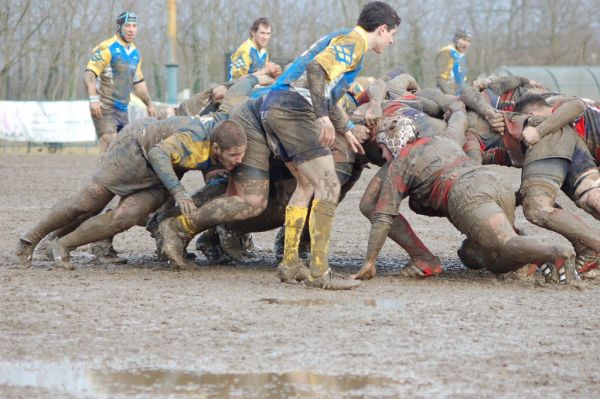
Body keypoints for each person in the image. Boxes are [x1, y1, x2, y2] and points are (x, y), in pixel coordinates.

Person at [156, 1, 401, 290]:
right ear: (382, 28)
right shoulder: (355, 42)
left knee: (307, 185)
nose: (392, 40)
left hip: (276, 105)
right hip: (292, 109)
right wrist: (322, 117)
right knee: (329, 185)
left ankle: (289, 264)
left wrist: (344, 127)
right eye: (392, 33)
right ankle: (319, 273)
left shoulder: (341, 36)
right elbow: (315, 71)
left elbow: (326, 92)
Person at [351, 103, 577, 284]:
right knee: (493, 262)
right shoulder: (443, 139)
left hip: (466, 194)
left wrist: (369, 261)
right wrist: (457, 109)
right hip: (492, 181)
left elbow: (382, 215)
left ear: (391, 141)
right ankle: (534, 254)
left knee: (506, 244)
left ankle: (555, 251)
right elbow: (459, 122)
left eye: (381, 149)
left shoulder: (400, 163)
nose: (382, 155)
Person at [14, 116, 246, 270]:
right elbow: (158, 153)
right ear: (216, 148)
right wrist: (178, 191)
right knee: (88, 202)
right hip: (137, 149)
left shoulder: (221, 138)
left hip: (161, 173)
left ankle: (62, 245)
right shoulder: (194, 139)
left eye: (242, 155)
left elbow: (209, 165)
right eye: (235, 155)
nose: (239, 160)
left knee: (127, 216)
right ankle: (29, 240)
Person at [84, 11, 156, 156]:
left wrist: (149, 104)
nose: (131, 29)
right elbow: (89, 73)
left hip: (122, 110)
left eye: (134, 26)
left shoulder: (135, 54)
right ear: (119, 27)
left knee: (125, 153)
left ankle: (116, 179)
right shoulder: (106, 47)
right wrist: (93, 99)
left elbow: (139, 83)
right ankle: (100, 179)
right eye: (127, 25)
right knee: (109, 141)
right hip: (104, 107)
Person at [435, 27, 472, 95]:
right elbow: (440, 79)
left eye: (469, 41)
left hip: (460, 94)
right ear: (456, 39)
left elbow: (462, 80)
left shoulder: (462, 56)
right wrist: (450, 95)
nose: (466, 44)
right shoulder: (446, 52)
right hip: (446, 96)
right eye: (464, 40)